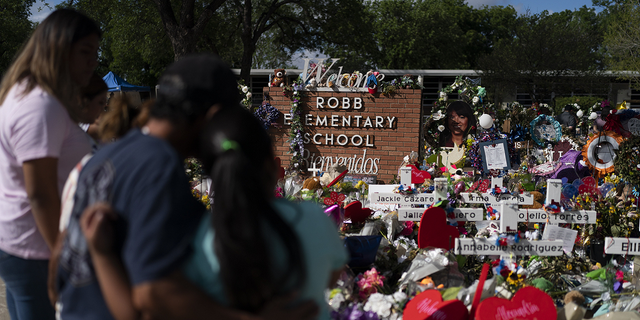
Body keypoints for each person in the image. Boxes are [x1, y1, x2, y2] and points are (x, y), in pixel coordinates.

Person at [54, 54, 320, 320]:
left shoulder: (103, 156)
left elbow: (57, 264)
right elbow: (154, 293)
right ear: (214, 115)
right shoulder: (159, 167)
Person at [0, 9, 99, 320]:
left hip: (22, 242)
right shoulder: (40, 106)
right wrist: (61, 252)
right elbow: (40, 192)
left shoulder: (26, 93)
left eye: (95, 52)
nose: (93, 61)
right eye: (85, 52)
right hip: (38, 248)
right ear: (58, 49)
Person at [78, 73, 109, 148]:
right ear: (85, 101)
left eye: (105, 102)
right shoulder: (83, 127)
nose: (104, 106)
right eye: (101, 102)